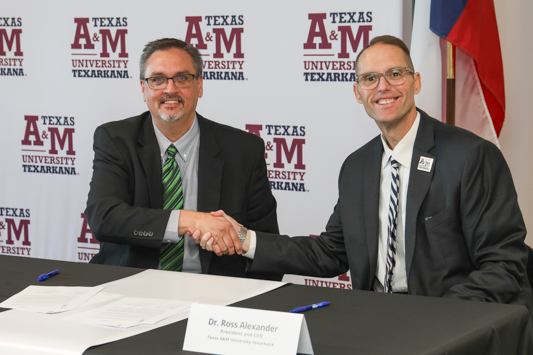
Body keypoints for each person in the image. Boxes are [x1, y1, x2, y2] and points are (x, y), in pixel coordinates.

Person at [196, 35, 533, 312]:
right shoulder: (357, 167)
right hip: (376, 319)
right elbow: (330, 253)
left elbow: (504, 265)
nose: (383, 86)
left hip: (451, 320)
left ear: (416, 82)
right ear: (358, 93)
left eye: (395, 74)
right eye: (370, 79)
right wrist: (245, 239)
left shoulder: (470, 157)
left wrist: (435, 319)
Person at [85, 38, 281, 280]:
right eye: (157, 79)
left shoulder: (243, 150)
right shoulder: (115, 140)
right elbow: (104, 218)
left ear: (199, 85)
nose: (170, 89)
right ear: (143, 88)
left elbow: (267, 245)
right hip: (132, 285)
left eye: (182, 78)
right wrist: (189, 220)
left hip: (215, 291)